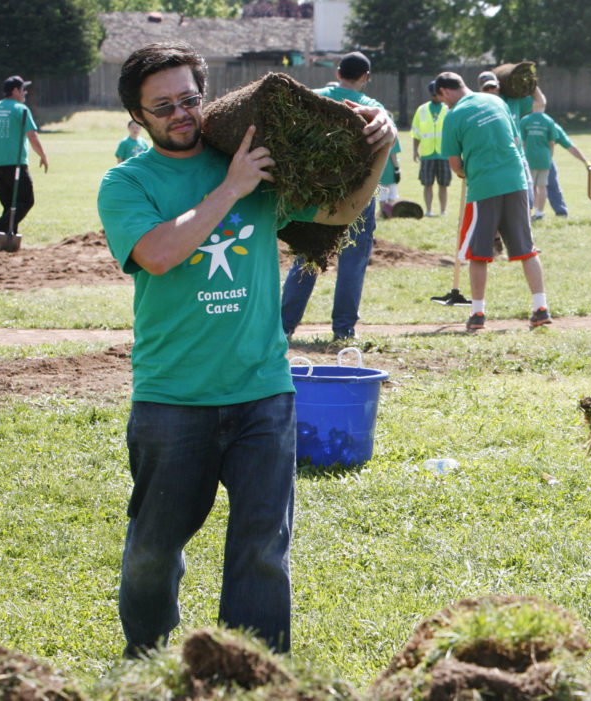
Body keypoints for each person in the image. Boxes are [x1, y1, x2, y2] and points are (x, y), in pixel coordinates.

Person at [96, 41, 395, 656]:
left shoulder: (252, 160)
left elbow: (336, 212)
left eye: (189, 99)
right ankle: (147, 657)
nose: (181, 114)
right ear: (137, 116)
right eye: (162, 107)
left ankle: (256, 667)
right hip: (174, 395)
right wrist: (231, 189)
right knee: (155, 546)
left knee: (262, 546)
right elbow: (157, 254)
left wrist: (380, 150)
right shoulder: (127, 182)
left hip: (263, 390)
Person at [280, 51, 387, 342]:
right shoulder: (373, 108)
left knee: (308, 255)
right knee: (353, 260)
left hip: (317, 191)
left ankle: (284, 326)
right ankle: (343, 330)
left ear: (338, 72)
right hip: (358, 194)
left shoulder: (314, 98)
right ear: (365, 77)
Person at [435, 72, 552, 331]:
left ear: (444, 91)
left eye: (442, 99)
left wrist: (466, 172)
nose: (444, 103)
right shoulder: (496, 101)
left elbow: (455, 164)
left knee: (479, 253)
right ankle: (541, 308)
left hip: (484, 187)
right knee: (527, 249)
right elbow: (515, 140)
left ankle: (477, 314)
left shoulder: (453, 115)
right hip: (516, 181)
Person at [486, 71, 568, 217]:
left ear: (499, 85)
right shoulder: (481, 106)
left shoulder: (513, 102)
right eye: (486, 88)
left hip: (516, 157)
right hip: (495, 158)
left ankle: (530, 216)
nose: (491, 91)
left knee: (527, 197)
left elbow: (540, 102)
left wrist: (532, 83)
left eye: (493, 87)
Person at [0, 75, 48, 250]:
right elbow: (32, 135)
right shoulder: (21, 109)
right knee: (26, 200)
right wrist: (43, 155)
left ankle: (8, 244)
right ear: (15, 91)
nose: (25, 92)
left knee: (10, 206)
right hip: (15, 164)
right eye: (22, 89)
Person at [520, 104, 591, 220]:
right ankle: (539, 212)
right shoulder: (549, 123)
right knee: (541, 186)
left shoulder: (537, 123)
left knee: (544, 186)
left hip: (534, 159)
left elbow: (569, 146)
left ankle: (557, 212)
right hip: (543, 159)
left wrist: (585, 160)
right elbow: (568, 146)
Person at [412, 78, 450, 217]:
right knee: (427, 184)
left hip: (444, 153)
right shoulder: (421, 110)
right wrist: (415, 151)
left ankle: (443, 210)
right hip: (427, 153)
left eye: (438, 94)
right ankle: (428, 210)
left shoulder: (448, 109)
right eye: (433, 94)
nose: (436, 97)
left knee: (443, 184)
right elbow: (416, 133)